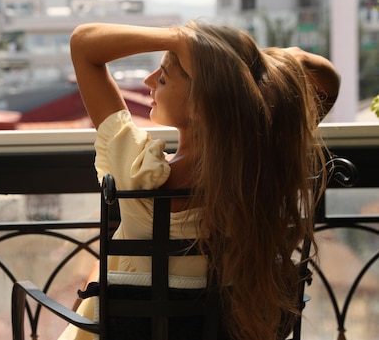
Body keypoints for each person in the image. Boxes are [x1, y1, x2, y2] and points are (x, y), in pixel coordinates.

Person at [59, 21, 340, 340]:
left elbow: (83, 44)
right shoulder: (262, 171)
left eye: (163, 76)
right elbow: (326, 78)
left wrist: (181, 37)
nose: (149, 80)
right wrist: (235, 65)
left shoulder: (138, 169)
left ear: (199, 104)